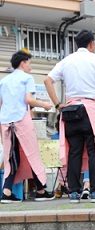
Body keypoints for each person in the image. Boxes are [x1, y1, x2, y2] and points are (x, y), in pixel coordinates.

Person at [44, 29, 95, 203]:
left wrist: (57, 104)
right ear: (92, 44)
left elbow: (48, 80)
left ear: (77, 44)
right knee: (94, 150)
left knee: (74, 152)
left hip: (70, 111)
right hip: (91, 110)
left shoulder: (66, 61)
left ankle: (74, 193)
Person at [0, 49, 55, 203]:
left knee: (11, 157)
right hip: (21, 120)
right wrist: (44, 105)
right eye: (29, 63)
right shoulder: (27, 78)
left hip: (5, 122)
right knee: (32, 153)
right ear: (23, 63)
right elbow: (29, 100)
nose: (30, 67)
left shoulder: (3, 81)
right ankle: (41, 190)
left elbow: (1, 104)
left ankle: (6, 192)